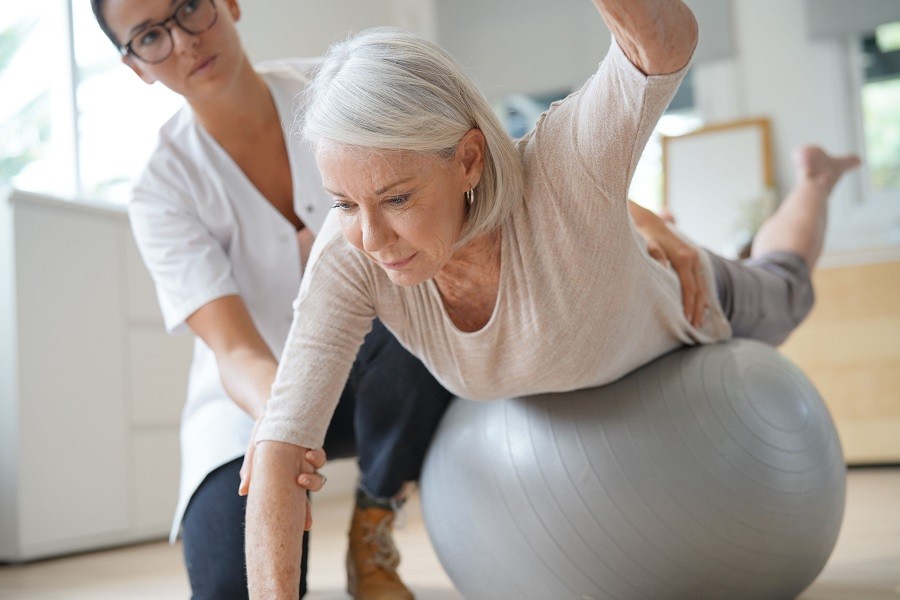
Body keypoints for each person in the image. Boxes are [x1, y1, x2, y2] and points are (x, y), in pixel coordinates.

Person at [242, 0, 862, 596]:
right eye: (345, 203)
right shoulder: (350, 255)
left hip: (684, 301)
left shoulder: (565, 163)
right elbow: (280, 444)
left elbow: (662, 44)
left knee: (786, 285)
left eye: (397, 197)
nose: (371, 237)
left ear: (467, 159)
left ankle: (814, 181)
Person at [88, 1, 464, 598]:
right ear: (136, 66)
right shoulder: (160, 188)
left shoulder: (336, 90)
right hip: (250, 407)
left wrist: (629, 216)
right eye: (151, 36)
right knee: (229, 586)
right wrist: (283, 426)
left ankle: (374, 520)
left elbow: (482, 170)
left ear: (228, 3)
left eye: (188, 8)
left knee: (419, 303)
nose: (183, 42)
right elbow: (234, 349)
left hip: (381, 366)